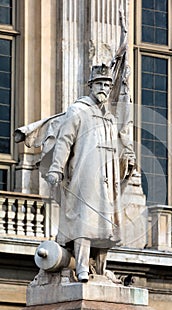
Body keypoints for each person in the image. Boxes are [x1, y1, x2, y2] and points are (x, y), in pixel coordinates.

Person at [46, 64, 130, 283]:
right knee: (85, 221)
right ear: (91, 86)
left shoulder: (110, 119)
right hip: (84, 174)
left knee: (105, 225)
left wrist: (125, 159)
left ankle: (100, 270)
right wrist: (56, 168)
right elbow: (65, 141)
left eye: (107, 85)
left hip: (107, 177)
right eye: (99, 84)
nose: (103, 88)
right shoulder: (78, 110)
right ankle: (82, 268)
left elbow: (115, 146)